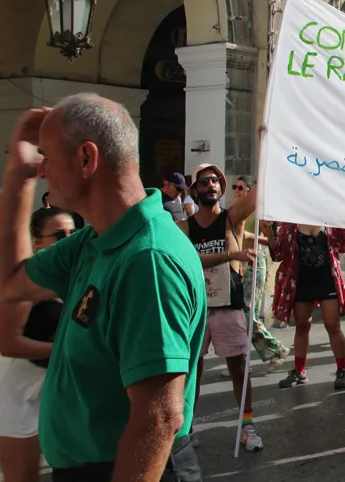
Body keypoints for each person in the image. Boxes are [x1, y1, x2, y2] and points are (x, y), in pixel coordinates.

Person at [0, 94, 206, 482]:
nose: (42, 170)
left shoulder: (147, 260)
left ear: (85, 159)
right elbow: (10, 282)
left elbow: (158, 419)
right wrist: (19, 176)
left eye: (46, 158)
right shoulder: (94, 239)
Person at [177, 164, 262, 451]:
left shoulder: (232, 218)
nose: (211, 185)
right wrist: (230, 255)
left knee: (239, 369)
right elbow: (189, 260)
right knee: (192, 373)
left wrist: (267, 148)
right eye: (204, 182)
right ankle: (186, 429)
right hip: (196, 310)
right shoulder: (184, 228)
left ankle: (247, 425)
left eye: (215, 181)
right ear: (194, 190)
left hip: (229, 307)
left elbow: (257, 195)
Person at [0, 207, 74, 482]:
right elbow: (8, 344)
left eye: (73, 232)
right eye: (59, 235)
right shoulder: (28, 280)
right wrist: (65, 350)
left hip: (52, 396)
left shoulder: (73, 273)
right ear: (36, 241)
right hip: (17, 399)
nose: (68, 239)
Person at [269, 223, 345, 389]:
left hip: (327, 280)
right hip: (301, 281)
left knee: (333, 325)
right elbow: (278, 253)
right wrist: (268, 232)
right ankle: (299, 371)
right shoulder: (291, 223)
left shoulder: (330, 220)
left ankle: (342, 370)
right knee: (302, 326)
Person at [231, 176, 287, 373]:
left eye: (241, 187)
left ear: (251, 191)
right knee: (241, 315)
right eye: (235, 187)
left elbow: (271, 241)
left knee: (247, 314)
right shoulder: (234, 211)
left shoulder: (258, 212)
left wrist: (247, 236)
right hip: (239, 266)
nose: (237, 190)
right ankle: (244, 360)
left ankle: (277, 350)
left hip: (254, 263)